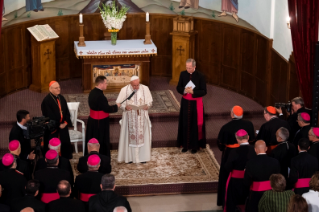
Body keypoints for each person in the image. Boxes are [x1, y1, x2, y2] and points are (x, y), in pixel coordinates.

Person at [217, 105, 255, 206]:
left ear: (232, 114)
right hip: (248, 152)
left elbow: (220, 144)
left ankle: (225, 200)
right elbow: (252, 139)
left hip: (230, 152)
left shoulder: (226, 127)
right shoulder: (249, 124)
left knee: (226, 175)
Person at [116, 76, 153, 164]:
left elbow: (150, 101)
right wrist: (125, 107)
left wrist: (148, 106)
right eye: (134, 85)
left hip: (142, 117)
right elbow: (118, 102)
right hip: (129, 117)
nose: (136, 87)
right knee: (129, 137)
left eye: (137, 85)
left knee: (142, 136)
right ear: (130, 84)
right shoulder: (124, 90)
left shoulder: (145, 88)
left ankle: (142, 157)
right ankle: (129, 158)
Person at [176, 58, 207, 154]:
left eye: (190, 68)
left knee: (195, 124)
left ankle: (195, 146)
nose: (188, 69)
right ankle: (185, 145)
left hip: (195, 104)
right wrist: (185, 90)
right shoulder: (183, 74)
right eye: (187, 67)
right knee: (184, 123)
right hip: (185, 103)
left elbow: (204, 91)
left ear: (194, 67)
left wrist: (193, 92)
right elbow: (178, 87)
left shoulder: (201, 76)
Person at [85, 76, 120, 157]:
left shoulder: (92, 92)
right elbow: (106, 108)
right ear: (101, 84)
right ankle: (101, 157)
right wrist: (116, 106)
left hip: (92, 121)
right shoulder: (100, 96)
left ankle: (90, 156)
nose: (107, 85)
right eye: (105, 83)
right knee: (100, 140)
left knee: (92, 139)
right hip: (99, 123)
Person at [223, 129, 256, 212]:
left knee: (233, 201)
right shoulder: (254, 150)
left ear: (237, 139)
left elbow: (227, 167)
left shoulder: (234, 152)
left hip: (236, 181)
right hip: (251, 180)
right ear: (248, 137)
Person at [244, 140, 280, 212]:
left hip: (256, 194)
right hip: (272, 193)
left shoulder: (250, 163)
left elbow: (246, 182)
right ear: (266, 148)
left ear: (255, 149)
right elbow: (278, 179)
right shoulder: (275, 162)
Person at [41, 81, 73, 159]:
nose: (59, 89)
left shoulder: (61, 98)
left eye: (59, 87)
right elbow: (49, 116)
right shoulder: (46, 101)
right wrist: (59, 125)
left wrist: (65, 123)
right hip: (53, 128)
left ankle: (64, 159)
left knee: (64, 147)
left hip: (63, 126)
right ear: (50, 89)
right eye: (56, 88)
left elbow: (67, 112)